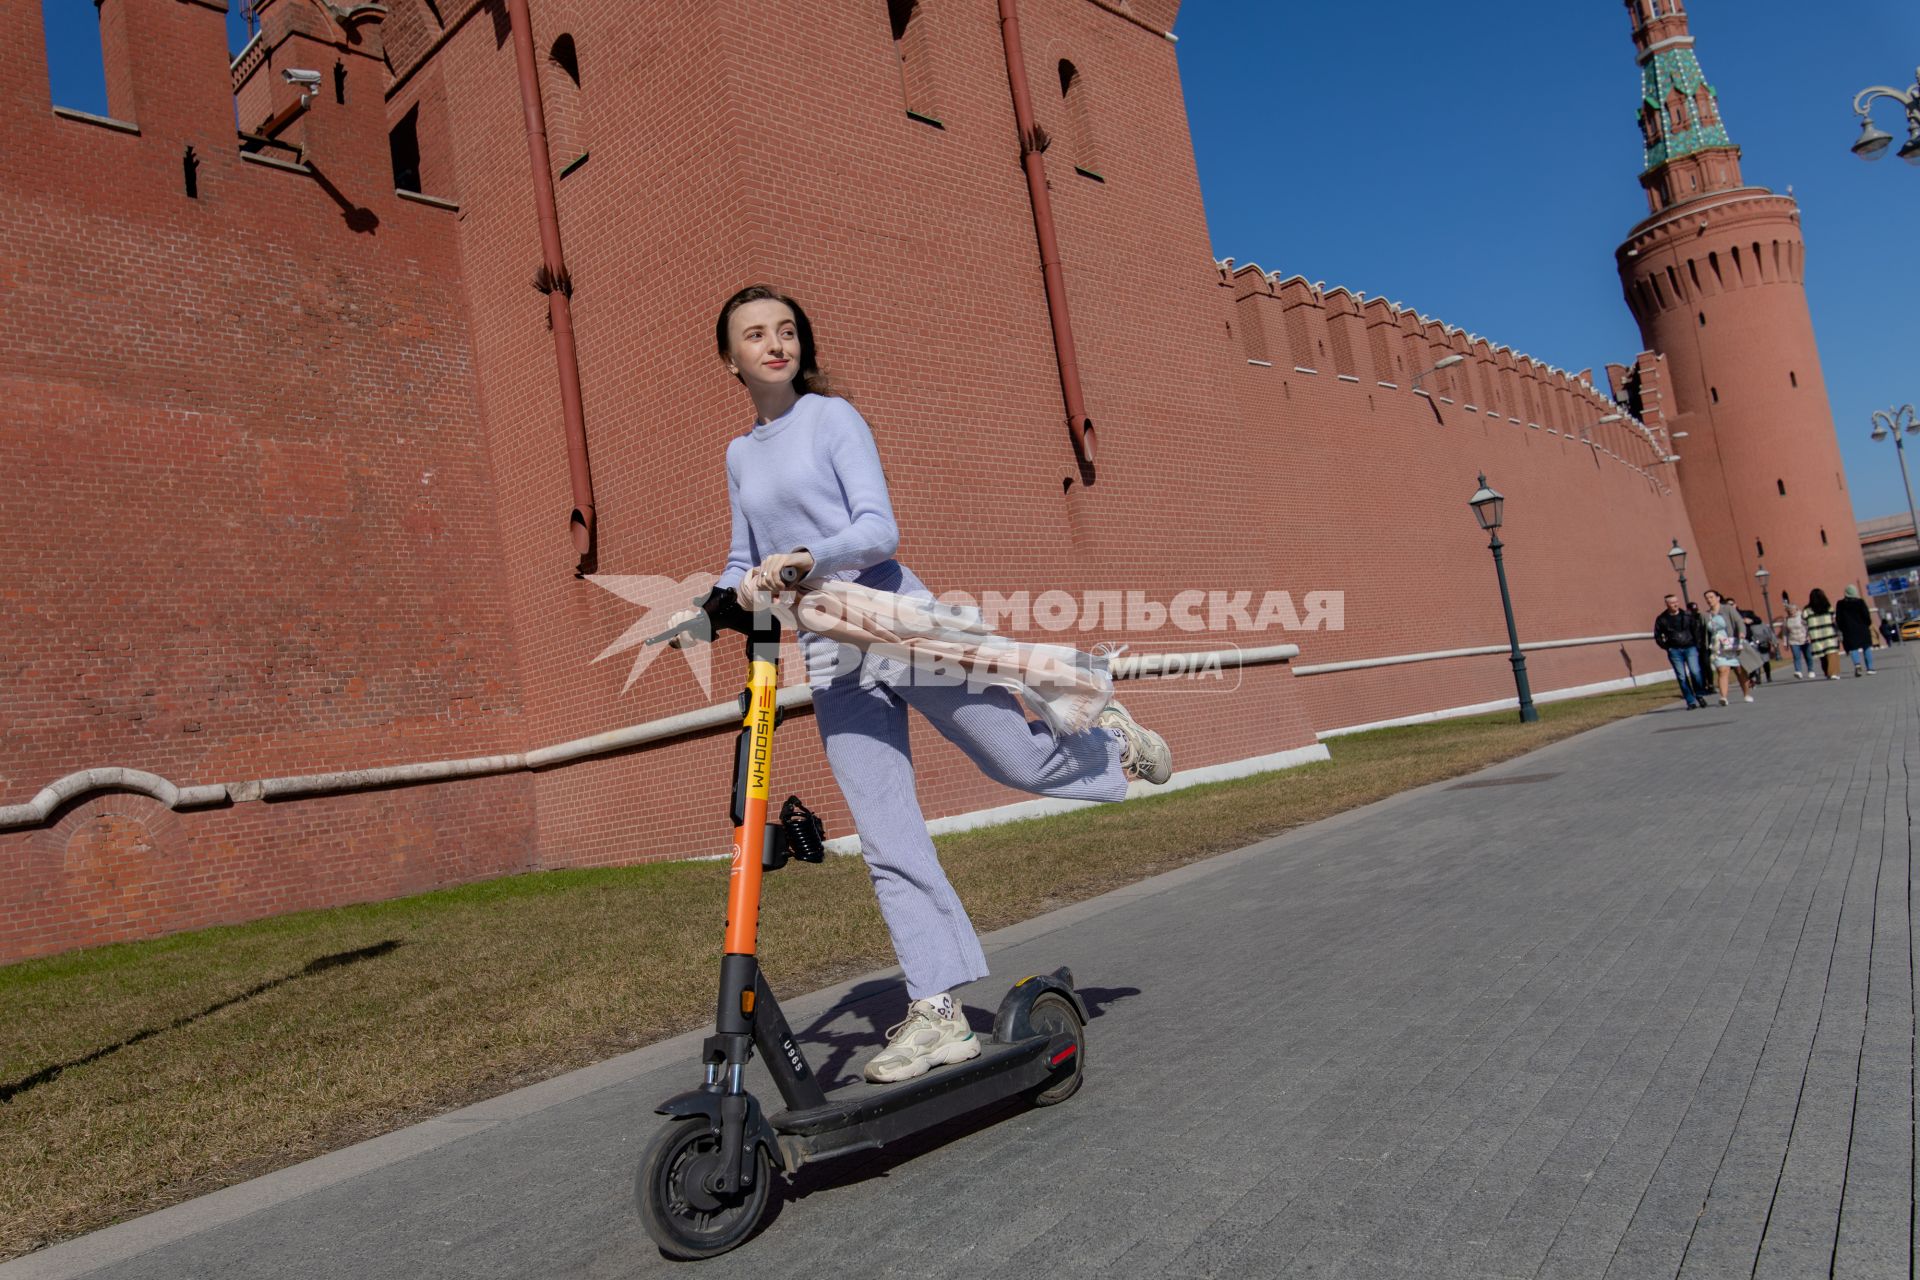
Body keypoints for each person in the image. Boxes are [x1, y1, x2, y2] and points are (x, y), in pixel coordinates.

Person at [674, 285, 1172, 1085]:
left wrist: (806, 557)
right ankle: (937, 1011)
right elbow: (743, 555)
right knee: (887, 835)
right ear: (728, 357)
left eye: (787, 330)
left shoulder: (833, 419)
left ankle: (1106, 738)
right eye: (755, 334)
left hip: (900, 620)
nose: (776, 343)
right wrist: (708, 604)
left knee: (1018, 763)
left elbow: (878, 530)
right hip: (831, 653)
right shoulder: (740, 455)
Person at [1700, 588, 1752, 705]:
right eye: (1707, 598)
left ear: (1718, 598)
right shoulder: (1705, 615)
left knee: (1740, 671)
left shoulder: (1728, 609)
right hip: (1717, 646)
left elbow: (1739, 621)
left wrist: (1741, 633)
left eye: (1711, 597)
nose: (1709, 600)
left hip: (1732, 643)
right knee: (1722, 670)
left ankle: (1746, 694)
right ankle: (1723, 697)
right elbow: (1704, 632)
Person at [1653, 593, 1705, 708]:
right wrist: (1666, 647)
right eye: (1672, 603)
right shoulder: (1661, 619)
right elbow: (1657, 635)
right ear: (1666, 604)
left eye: (1676, 601)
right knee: (1681, 676)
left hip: (1690, 647)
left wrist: (1697, 645)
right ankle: (1690, 701)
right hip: (1675, 650)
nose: (1675, 604)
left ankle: (1699, 694)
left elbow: (1696, 630)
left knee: (1695, 672)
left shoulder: (1687, 615)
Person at [1835, 584, 1876, 676]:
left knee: (1853, 648)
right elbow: (1866, 616)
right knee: (1866, 648)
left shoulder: (1840, 604)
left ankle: (1857, 664)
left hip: (1849, 630)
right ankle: (1870, 668)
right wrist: (1867, 624)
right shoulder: (1860, 602)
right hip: (1862, 629)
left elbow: (1838, 618)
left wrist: (1842, 628)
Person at [1804, 588, 1840, 679]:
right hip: (1829, 633)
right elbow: (1834, 618)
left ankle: (1827, 673)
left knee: (1822, 655)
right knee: (1832, 653)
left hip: (1816, 635)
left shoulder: (1807, 610)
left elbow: (1803, 621)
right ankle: (1833, 673)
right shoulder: (1828, 607)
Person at [1739, 608, 1776, 684]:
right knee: (1756, 661)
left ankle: (1768, 676)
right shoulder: (1744, 626)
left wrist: (1773, 641)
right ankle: (1758, 677)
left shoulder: (1759, 623)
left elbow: (1768, 632)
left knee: (1765, 661)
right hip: (1752, 644)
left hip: (1762, 643)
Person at [1781, 602, 1812, 678]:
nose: (1790, 611)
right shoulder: (1787, 619)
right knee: (1796, 656)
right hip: (1793, 640)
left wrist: (1809, 636)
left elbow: (1809, 626)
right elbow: (1785, 632)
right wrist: (1785, 643)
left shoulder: (1802, 616)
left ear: (1796, 609)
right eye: (1789, 610)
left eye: (1792, 610)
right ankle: (1798, 671)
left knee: (1808, 656)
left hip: (1804, 639)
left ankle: (1810, 670)